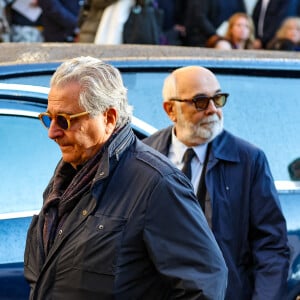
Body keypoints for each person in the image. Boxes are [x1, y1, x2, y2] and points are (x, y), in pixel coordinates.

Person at [23, 56, 228, 299]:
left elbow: (204, 286)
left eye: (64, 120)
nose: (52, 132)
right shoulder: (67, 177)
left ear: (108, 118)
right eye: (48, 118)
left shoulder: (157, 183)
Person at [143, 65, 290, 299]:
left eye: (218, 99)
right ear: (171, 110)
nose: (213, 110)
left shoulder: (248, 160)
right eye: (200, 101)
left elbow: (271, 247)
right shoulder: (144, 156)